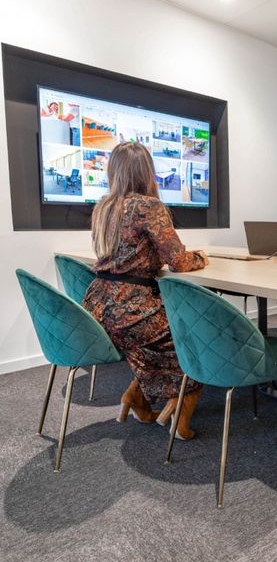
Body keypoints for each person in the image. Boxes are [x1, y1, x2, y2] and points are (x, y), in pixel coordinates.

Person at [83, 141, 208, 439]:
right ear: (147, 172)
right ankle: (181, 419)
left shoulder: (103, 207)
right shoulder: (149, 206)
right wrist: (201, 258)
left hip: (97, 308)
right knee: (198, 335)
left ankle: (136, 397)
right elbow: (178, 261)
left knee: (151, 344)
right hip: (133, 310)